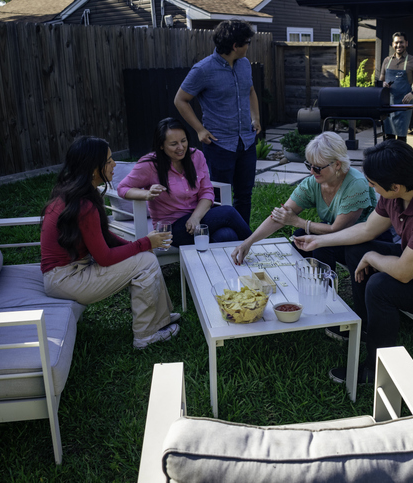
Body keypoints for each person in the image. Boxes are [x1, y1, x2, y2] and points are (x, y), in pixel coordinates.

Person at [294, 140, 413, 384]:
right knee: (356, 250)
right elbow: (367, 230)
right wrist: (319, 241)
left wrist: (374, 257)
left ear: (395, 186)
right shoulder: (398, 192)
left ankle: (375, 371)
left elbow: (404, 273)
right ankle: (366, 327)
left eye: (374, 185)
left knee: (380, 287)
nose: (372, 189)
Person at [41, 136, 180, 350]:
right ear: (94, 169)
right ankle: (145, 335)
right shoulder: (83, 205)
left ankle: (159, 319)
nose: (114, 164)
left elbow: (104, 236)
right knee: (145, 261)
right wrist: (144, 243)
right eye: (109, 160)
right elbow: (104, 258)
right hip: (66, 279)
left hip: (67, 273)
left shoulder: (77, 193)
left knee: (145, 257)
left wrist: (140, 245)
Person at [231, 132, 376, 270]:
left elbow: (337, 229)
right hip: (340, 235)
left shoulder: (355, 184)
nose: (312, 172)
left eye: (318, 168)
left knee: (319, 244)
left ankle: (325, 289)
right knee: (300, 238)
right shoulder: (313, 182)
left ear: (337, 164)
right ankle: (310, 281)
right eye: (309, 165)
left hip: (366, 240)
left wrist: (297, 221)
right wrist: (248, 243)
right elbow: (281, 216)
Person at [174, 19, 261, 225]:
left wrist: (255, 117)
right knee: (219, 198)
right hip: (219, 144)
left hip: (246, 142)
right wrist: (200, 130)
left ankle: (241, 239)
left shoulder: (245, 64)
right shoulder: (203, 70)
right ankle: (221, 239)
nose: (249, 46)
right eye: (247, 42)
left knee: (244, 195)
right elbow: (180, 100)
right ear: (235, 46)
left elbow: (250, 90)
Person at [117, 117, 252, 246]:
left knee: (227, 235)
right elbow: (122, 188)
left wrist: (195, 218)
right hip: (171, 228)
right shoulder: (150, 165)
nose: (181, 147)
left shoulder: (196, 156)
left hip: (197, 219)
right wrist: (146, 195)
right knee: (228, 212)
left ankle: (204, 268)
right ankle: (259, 246)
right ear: (161, 146)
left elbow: (207, 192)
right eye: (174, 144)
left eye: (183, 141)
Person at [378, 32, 413, 143]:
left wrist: (412, 94)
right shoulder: (387, 61)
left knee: (401, 139)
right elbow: (381, 80)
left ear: (406, 43)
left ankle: (401, 159)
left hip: (404, 104)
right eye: (396, 42)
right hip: (388, 104)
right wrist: (383, 84)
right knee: (388, 138)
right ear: (393, 44)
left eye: (401, 42)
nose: (399, 45)